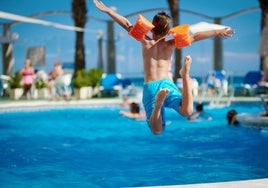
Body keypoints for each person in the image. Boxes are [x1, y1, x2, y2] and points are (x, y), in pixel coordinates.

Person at [94, 0, 234, 134]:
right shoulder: (170, 44)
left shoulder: (145, 41)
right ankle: (184, 75)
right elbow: (195, 36)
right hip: (168, 83)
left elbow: (126, 23)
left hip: (151, 87)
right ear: (167, 32)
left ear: (152, 27)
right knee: (187, 112)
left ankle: (158, 104)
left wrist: (108, 11)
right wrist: (217, 32)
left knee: (157, 130)